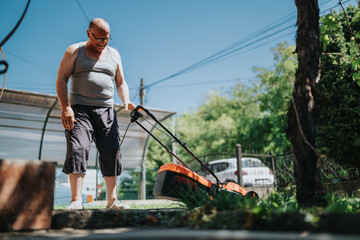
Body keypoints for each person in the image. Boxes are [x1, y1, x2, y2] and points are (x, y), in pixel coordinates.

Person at [56, 18, 135, 210]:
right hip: (80, 109)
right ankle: (76, 200)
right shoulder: (75, 50)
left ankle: (112, 200)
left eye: (106, 39)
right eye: (99, 39)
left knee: (112, 151)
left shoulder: (114, 54)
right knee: (78, 149)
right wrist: (65, 107)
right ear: (88, 34)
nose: (103, 43)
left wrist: (126, 100)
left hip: (106, 110)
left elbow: (121, 82)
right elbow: (61, 79)